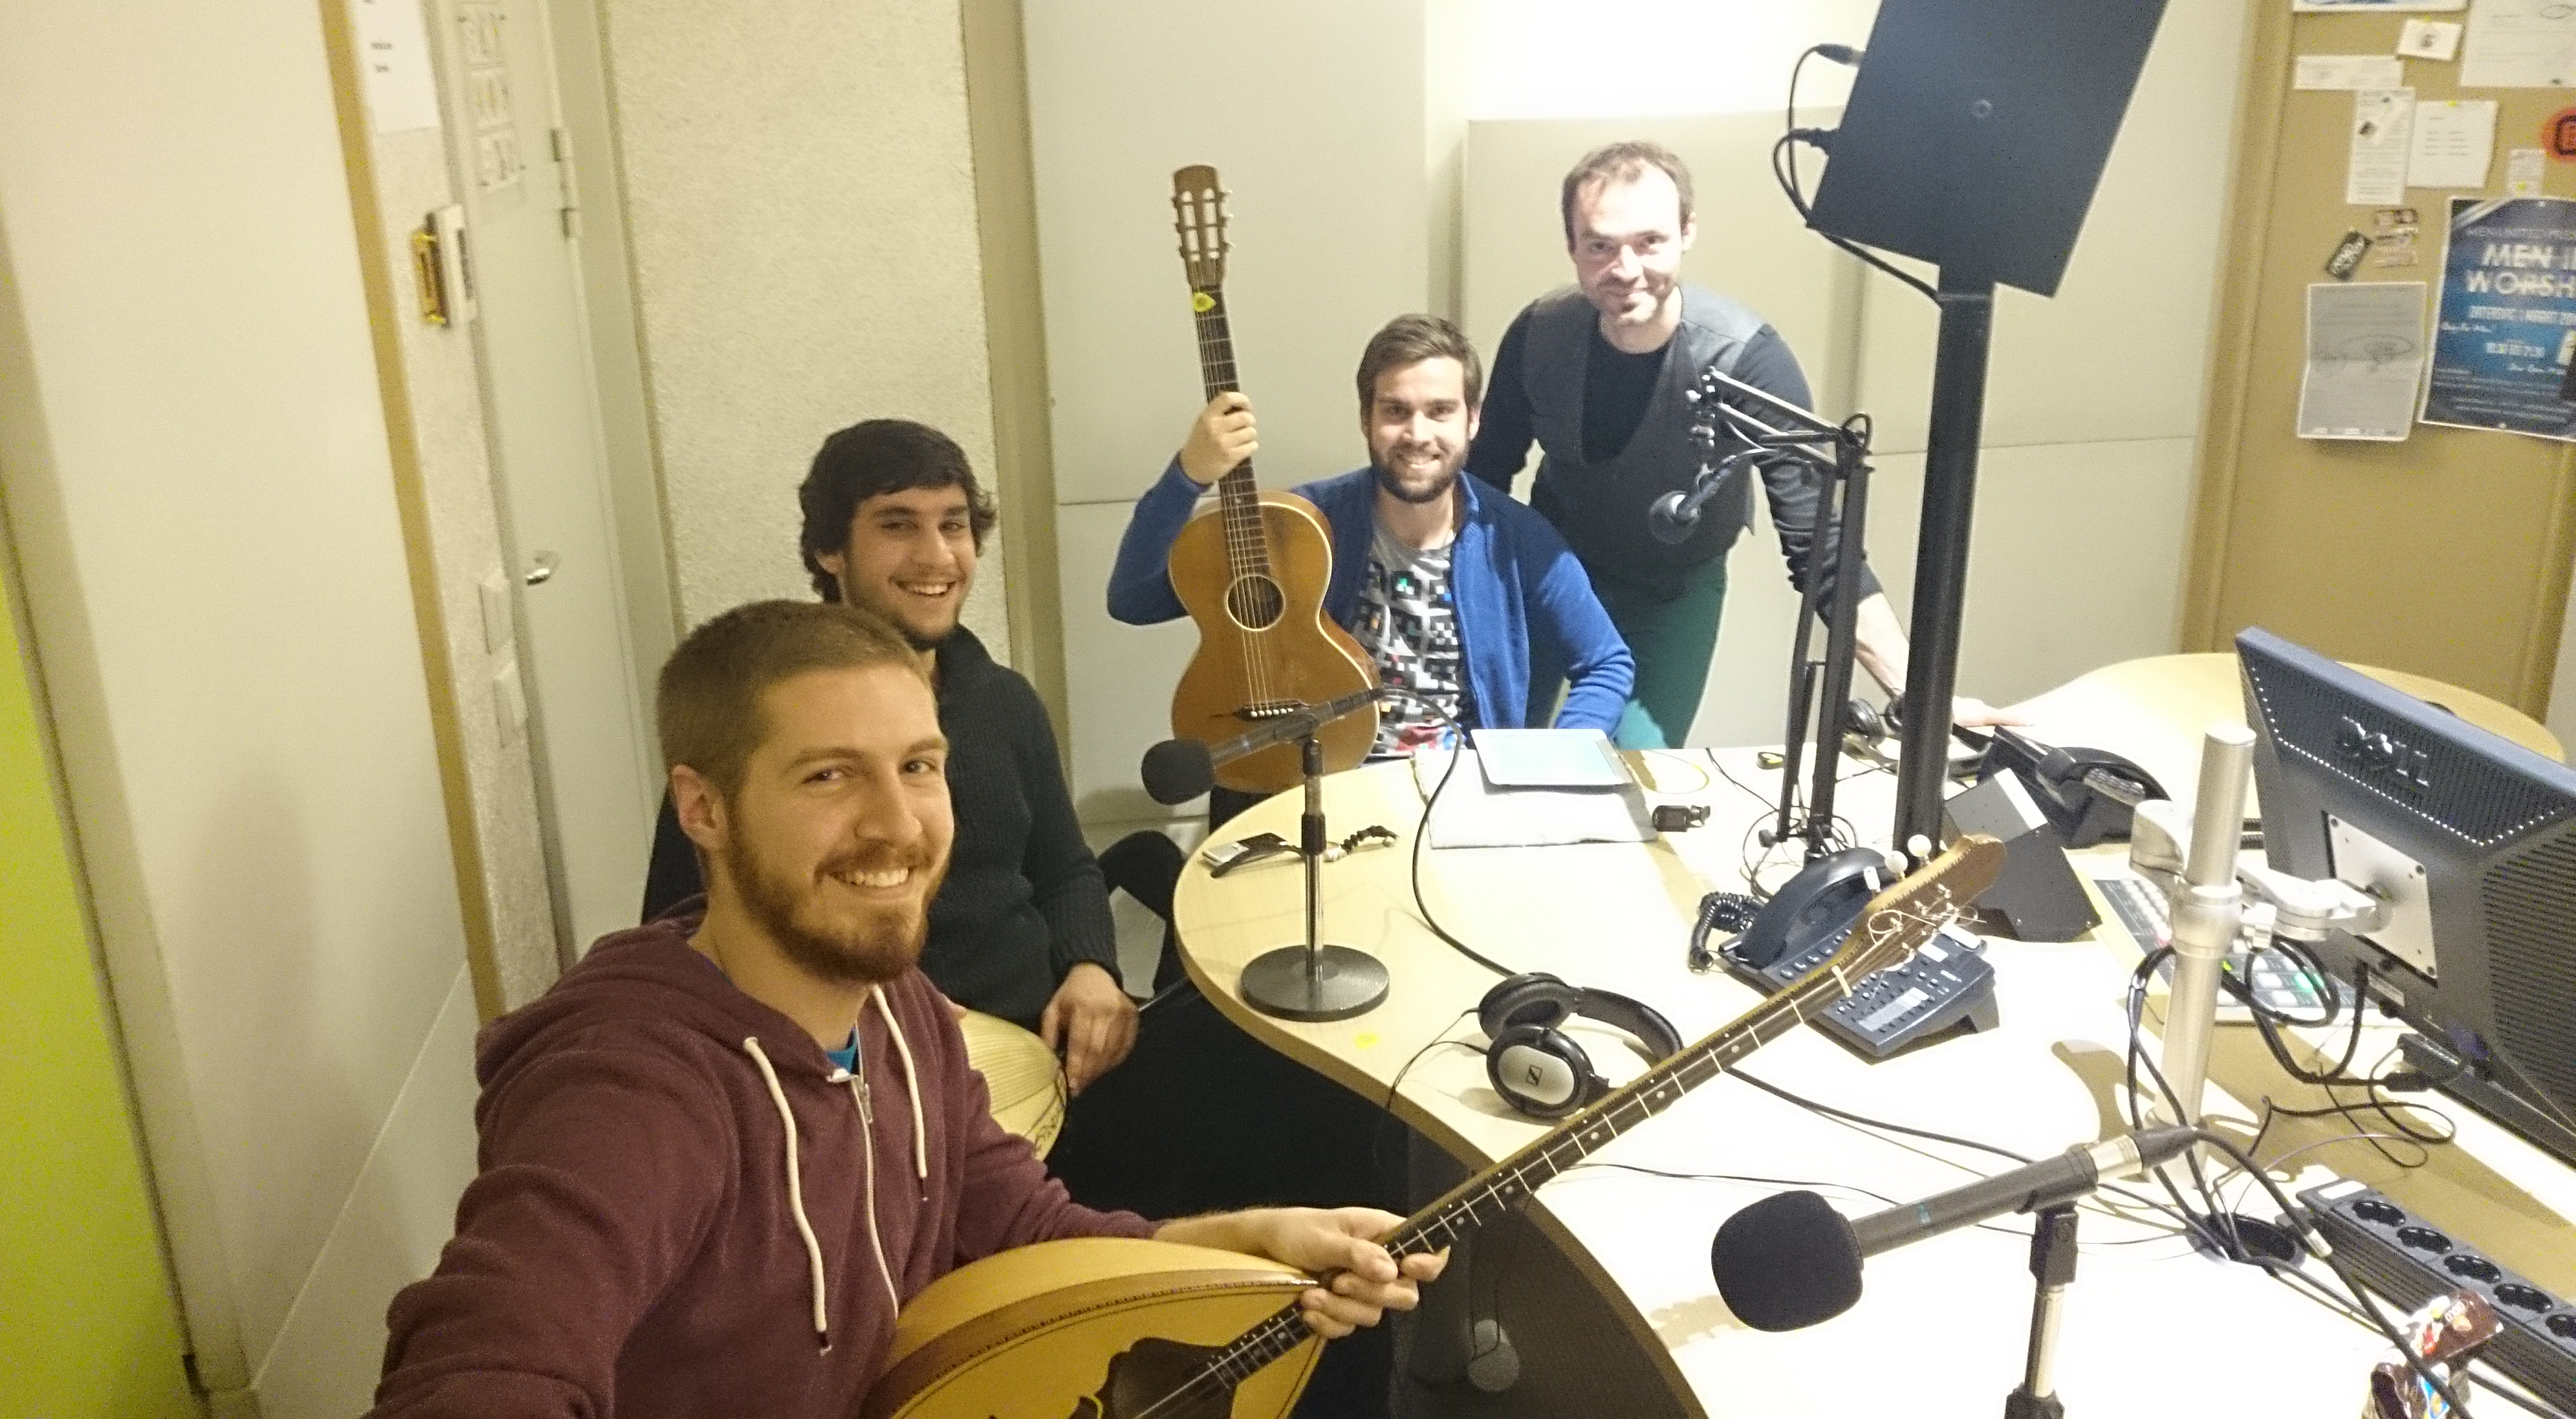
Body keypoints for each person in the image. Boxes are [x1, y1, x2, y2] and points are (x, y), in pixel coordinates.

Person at [367, 600, 1444, 1418]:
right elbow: (482, 1367)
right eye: (829, 777)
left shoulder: (901, 1009)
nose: (899, 824)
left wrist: (1245, 1243)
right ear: (703, 809)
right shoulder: (634, 1091)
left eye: (919, 767)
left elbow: (1022, 1230)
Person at [640, 421, 1136, 1096]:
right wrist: (881, 1017)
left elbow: (1065, 868)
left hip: (1049, 1047)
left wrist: (1092, 969)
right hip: (874, 1077)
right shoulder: (767, 719)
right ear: (829, 550)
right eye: (898, 526)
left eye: (954, 525)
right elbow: (680, 927)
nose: (937, 556)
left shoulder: (1005, 701)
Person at [1466, 141, 2016, 748]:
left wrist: (1918, 694)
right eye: (1600, 246)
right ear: (1571, 245)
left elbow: (1820, 547)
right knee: (1495, 749)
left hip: (1671, 593)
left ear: (1687, 233)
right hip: (1550, 575)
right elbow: (1482, 483)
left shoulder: (1748, 359)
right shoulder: (1539, 333)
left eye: (1649, 242)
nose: (1625, 269)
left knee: (1630, 769)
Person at [1109, 313, 1633, 776]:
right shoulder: (1302, 527)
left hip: (1459, 789)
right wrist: (1188, 476)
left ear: (1473, 420)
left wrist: (1551, 764)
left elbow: (1606, 663)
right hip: (1321, 782)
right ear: (1366, 419)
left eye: (1440, 411)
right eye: (1396, 411)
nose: (1418, 434)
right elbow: (1133, 600)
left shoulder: (1517, 539)